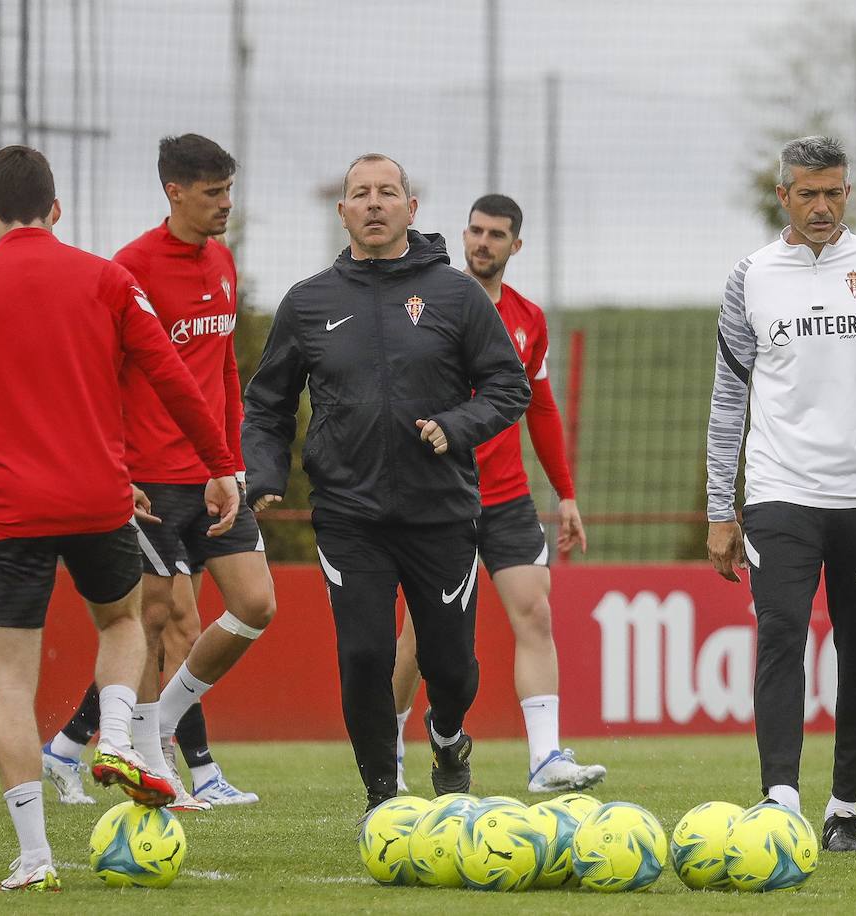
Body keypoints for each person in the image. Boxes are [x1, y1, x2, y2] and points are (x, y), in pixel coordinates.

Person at [0, 145, 239, 891]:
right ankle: (115, 737)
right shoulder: (109, 280)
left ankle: (34, 857)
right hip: (100, 498)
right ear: (57, 210)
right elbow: (173, 377)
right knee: (121, 623)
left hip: (10, 506)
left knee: (12, 684)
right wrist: (221, 464)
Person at [243, 154, 529, 811]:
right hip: (350, 516)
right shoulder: (309, 302)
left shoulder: (456, 295)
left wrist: (457, 426)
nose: (374, 204)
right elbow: (266, 405)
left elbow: (509, 386)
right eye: (360, 195)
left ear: (412, 207)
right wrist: (263, 472)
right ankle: (382, 799)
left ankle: (449, 733)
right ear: (342, 211)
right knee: (366, 657)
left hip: (442, 513)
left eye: (387, 193)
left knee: (450, 668)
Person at [705, 136, 856, 854]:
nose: (821, 206)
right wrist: (722, 506)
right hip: (780, 490)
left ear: (848, 193)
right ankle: (780, 799)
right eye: (807, 193)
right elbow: (727, 400)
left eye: (833, 193)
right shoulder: (751, 276)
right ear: (783, 195)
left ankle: (844, 806)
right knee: (780, 635)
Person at [41, 134, 272, 811]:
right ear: (174, 192)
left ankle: (88, 743)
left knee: (255, 603)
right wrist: (115, 465)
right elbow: (99, 376)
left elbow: (225, 369)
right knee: (162, 616)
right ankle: (160, 761)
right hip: (145, 477)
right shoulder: (130, 269)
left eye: (229, 191)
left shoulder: (223, 260)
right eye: (212, 193)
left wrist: (227, 461)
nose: (225, 204)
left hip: (211, 476)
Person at [390, 194, 604, 794]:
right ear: (463, 236)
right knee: (416, 632)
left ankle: (545, 761)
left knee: (535, 611)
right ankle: (390, 751)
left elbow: (540, 406)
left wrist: (565, 493)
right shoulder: (428, 308)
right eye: (476, 232)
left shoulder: (528, 320)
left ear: (516, 245)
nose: (483, 243)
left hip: (506, 498)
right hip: (441, 494)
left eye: (497, 234)